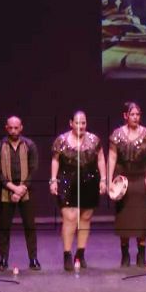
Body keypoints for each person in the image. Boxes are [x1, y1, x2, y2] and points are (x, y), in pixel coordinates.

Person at [50, 111, 107, 271]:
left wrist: (103, 179)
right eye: (77, 123)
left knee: (85, 217)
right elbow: (55, 160)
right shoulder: (61, 140)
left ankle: (80, 254)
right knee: (70, 217)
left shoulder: (94, 140)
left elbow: (101, 158)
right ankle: (67, 254)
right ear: (71, 123)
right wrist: (53, 180)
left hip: (89, 180)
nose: (80, 126)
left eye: (83, 123)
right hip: (67, 180)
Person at [107, 101, 146, 267]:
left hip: (141, 178)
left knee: (142, 217)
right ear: (125, 116)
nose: (135, 117)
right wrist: (109, 180)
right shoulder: (117, 135)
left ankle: (141, 254)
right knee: (124, 218)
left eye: (138, 114)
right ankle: (125, 254)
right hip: (123, 180)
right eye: (132, 114)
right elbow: (112, 157)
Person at [0, 116, 40, 270]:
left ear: (21, 128)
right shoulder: (0, 146)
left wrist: (22, 189)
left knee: (30, 226)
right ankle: (3, 259)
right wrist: (13, 188)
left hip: (26, 190)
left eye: (16, 128)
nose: (13, 130)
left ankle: (33, 259)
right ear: (6, 128)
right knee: (4, 227)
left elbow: (33, 169)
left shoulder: (29, 145)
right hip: (7, 190)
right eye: (11, 128)